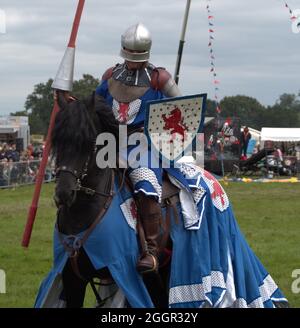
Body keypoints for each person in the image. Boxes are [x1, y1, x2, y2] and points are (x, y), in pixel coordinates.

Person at [95, 23, 181, 274]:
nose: (134, 63)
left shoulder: (159, 79)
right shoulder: (110, 76)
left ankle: (151, 250)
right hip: (111, 141)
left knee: (144, 182)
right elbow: (97, 103)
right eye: (130, 57)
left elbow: (180, 111)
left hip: (144, 144)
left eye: (138, 58)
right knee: (85, 179)